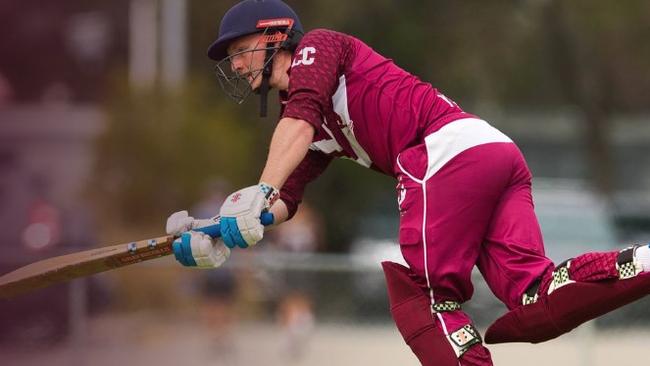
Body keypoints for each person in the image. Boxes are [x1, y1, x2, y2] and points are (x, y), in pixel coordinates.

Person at [165, 1, 650, 365]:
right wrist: (222, 227)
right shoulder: (316, 129)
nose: (237, 65)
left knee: (423, 296)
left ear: (276, 34)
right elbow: (288, 198)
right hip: (493, 153)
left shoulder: (318, 47)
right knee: (535, 298)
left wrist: (258, 194)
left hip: (445, 153)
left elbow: (298, 123)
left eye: (240, 50)